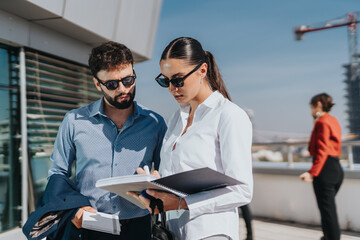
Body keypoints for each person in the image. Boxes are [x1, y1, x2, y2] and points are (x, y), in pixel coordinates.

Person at [129, 37, 253, 240]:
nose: (171, 88)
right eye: (165, 80)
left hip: (209, 233)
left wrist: (182, 204)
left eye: (178, 80)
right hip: (173, 231)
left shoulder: (229, 115)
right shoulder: (176, 119)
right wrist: (152, 184)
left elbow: (242, 190)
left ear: (202, 70)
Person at [47, 41, 167, 239]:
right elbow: (58, 174)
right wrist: (75, 209)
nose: (123, 89)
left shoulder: (155, 123)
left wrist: (156, 181)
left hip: (139, 228)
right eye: (112, 84)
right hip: (89, 226)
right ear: (97, 84)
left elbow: (165, 174)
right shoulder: (74, 121)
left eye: (128, 80)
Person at [299, 93, 343, 240]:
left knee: (327, 212)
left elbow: (322, 150)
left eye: (311, 107)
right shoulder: (333, 120)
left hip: (325, 169)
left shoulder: (322, 122)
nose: (310, 110)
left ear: (318, 105)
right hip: (336, 167)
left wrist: (312, 172)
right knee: (328, 210)